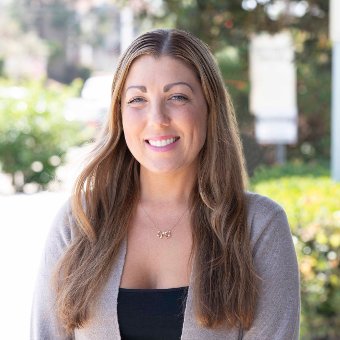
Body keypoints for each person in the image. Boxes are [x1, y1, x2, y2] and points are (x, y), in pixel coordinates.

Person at [31, 28, 300, 340]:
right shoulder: (81, 222)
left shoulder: (259, 227)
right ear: (119, 114)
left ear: (209, 108)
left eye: (177, 97)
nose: (157, 118)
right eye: (138, 99)